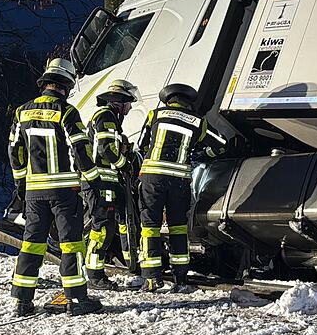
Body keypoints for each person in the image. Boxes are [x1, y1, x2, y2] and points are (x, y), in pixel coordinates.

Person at [7, 58, 104, 316]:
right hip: (64, 193)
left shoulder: (22, 112)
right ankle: (76, 299)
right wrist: (93, 180)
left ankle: (22, 301)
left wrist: (21, 184)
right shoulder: (67, 112)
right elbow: (80, 150)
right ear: (67, 85)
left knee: (32, 244)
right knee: (71, 244)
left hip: (34, 193)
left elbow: (14, 152)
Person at [136, 83, 227, 292]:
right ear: (189, 102)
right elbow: (221, 144)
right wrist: (200, 155)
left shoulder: (155, 115)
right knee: (178, 227)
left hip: (153, 179)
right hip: (179, 181)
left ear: (169, 100)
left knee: (150, 227)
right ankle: (181, 278)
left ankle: (151, 278)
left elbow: (142, 144)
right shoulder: (198, 122)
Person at [83, 79, 140, 290]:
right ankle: (95, 275)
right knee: (102, 228)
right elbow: (106, 148)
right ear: (120, 102)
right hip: (100, 182)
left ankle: (131, 264)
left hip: (107, 181)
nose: (130, 107)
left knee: (117, 223)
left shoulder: (109, 119)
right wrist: (124, 164)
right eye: (128, 103)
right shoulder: (106, 117)